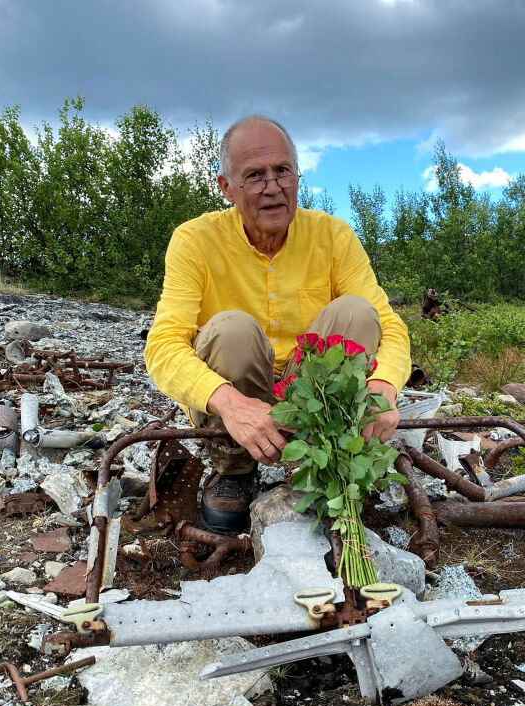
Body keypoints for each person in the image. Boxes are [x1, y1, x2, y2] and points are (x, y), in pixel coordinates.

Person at [144, 115, 410, 533]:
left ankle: (329, 461)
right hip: (236, 391)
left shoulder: (334, 236)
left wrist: (385, 386)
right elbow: (162, 345)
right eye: (253, 176)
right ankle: (234, 469)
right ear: (225, 187)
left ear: (297, 176)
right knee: (232, 328)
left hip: (306, 388)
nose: (272, 187)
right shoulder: (195, 240)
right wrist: (231, 404)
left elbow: (390, 327)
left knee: (359, 311)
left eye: (282, 171)